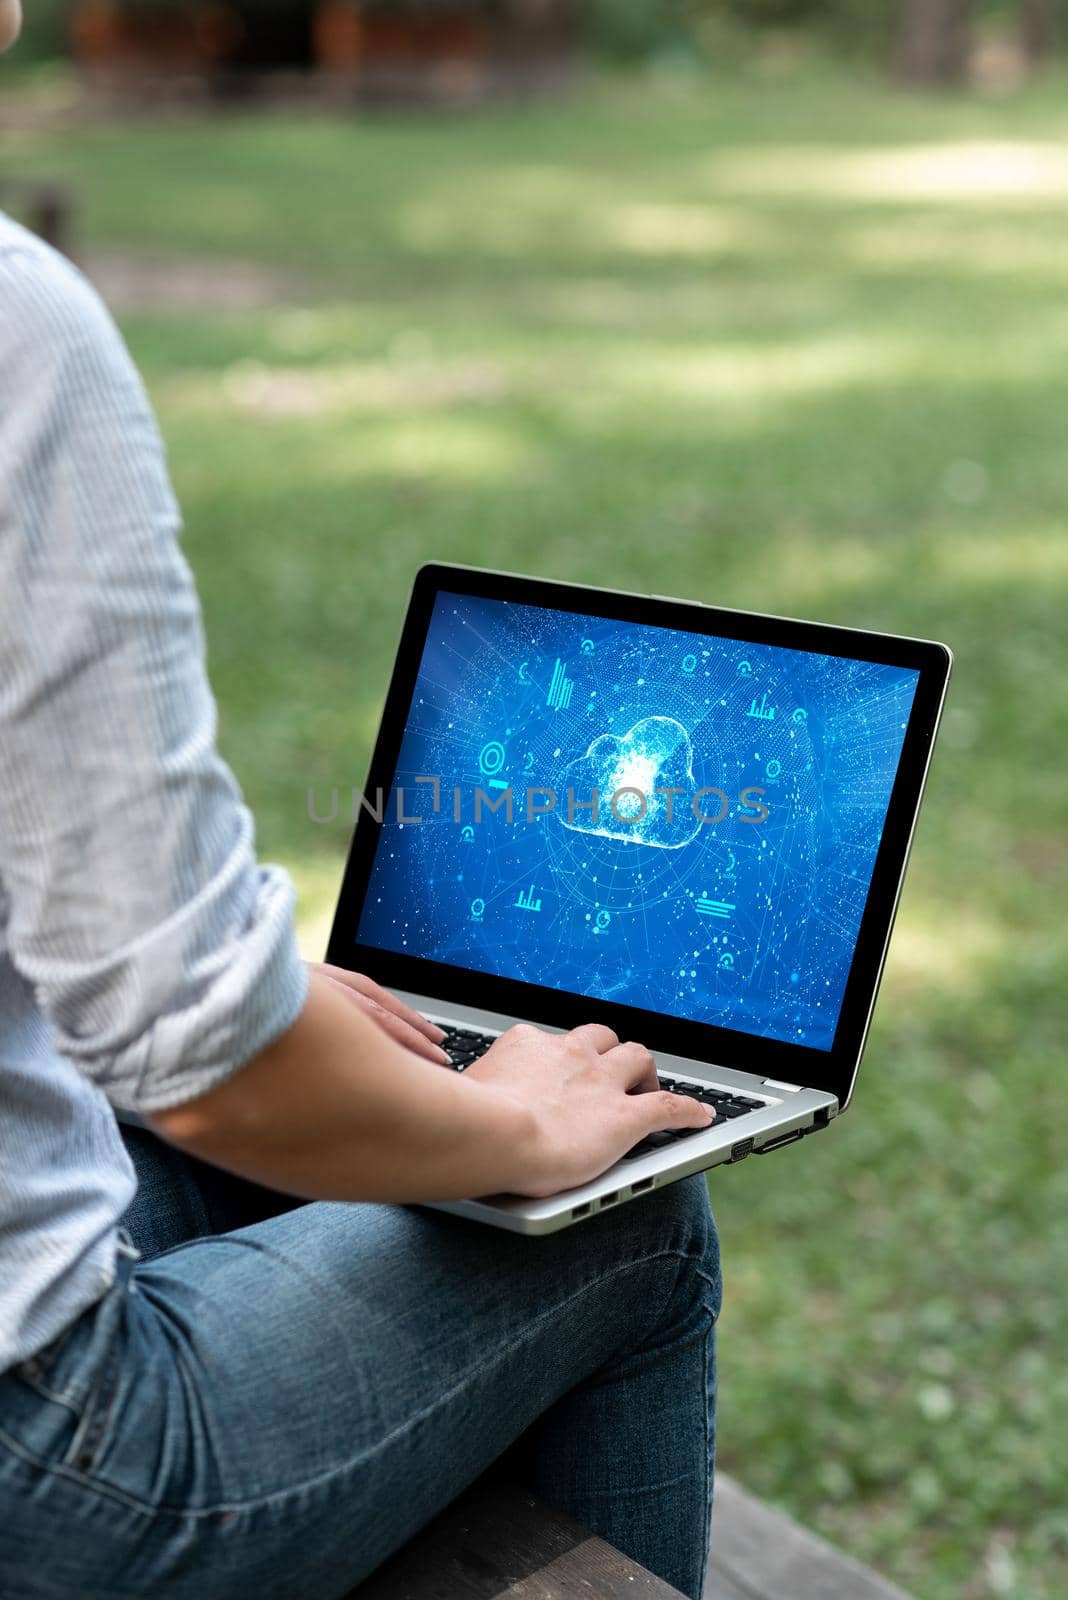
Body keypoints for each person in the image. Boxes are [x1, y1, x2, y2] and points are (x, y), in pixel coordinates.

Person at [0, 4, 722, 1595]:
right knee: (626, 1218)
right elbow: (212, 1078)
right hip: (44, 1472)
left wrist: (230, 994)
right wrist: (515, 1126)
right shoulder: (14, 328)